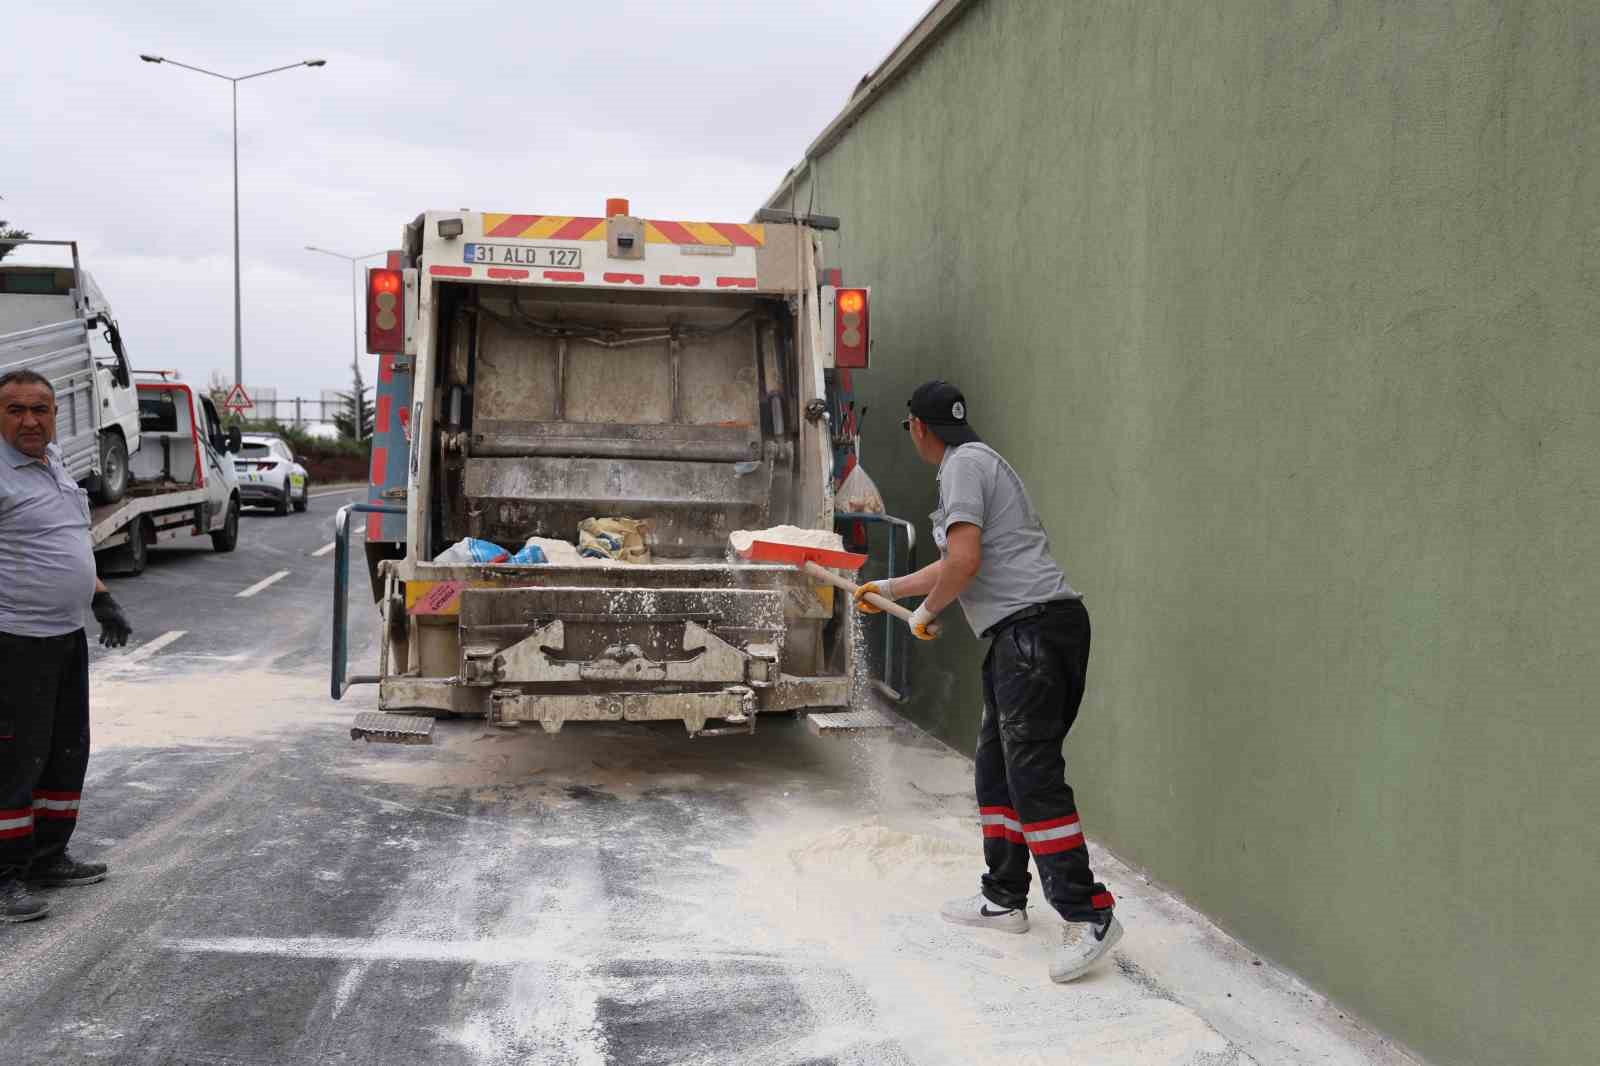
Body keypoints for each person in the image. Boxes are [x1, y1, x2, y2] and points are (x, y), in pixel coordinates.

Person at [855, 379, 1122, 983]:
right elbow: (955, 562)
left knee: (1031, 775)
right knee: (997, 770)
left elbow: (964, 561)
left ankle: (1090, 913)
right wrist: (890, 592)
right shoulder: (975, 461)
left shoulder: (961, 468)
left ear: (918, 428)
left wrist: (925, 612)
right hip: (1022, 635)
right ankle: (1004, 898)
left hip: (1034, 632)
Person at [0, 369, 131, 924]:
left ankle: (47, 858)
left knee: (62, 751)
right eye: (14, 410)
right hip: (13, 641)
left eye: (40, 409)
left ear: (56, 415)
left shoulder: (52, 467)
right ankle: (5, 879)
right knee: (11, 762)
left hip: (63, 636)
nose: (30, 420)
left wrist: (101, 598)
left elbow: (69, 540)